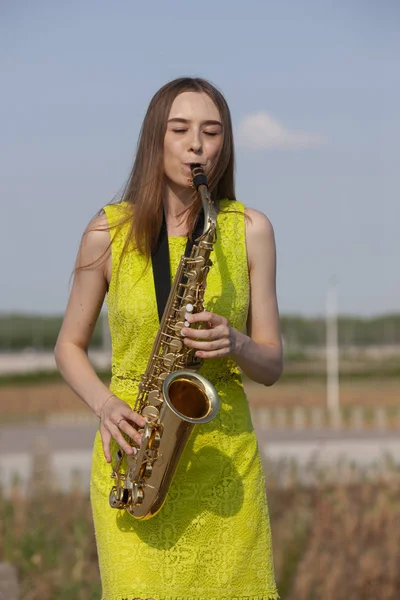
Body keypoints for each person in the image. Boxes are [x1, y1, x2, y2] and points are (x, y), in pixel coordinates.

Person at [55, 77, 283, 600]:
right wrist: (105, 404)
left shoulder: (250, 229)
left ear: (225, 144)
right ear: (154, 139)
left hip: (224, 467)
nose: (196, 144)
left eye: (211, 131)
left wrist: (238, 344)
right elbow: (68, 346)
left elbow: (272, 365)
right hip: (135, 452)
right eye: (179, 129)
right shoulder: (106, 231)